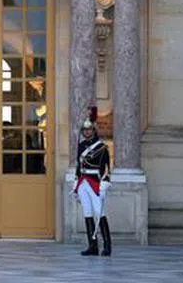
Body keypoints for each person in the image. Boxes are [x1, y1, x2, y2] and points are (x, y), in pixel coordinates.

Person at [74, 106, 111, 257]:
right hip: (83, 181)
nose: (87, 132)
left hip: (96, 182)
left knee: (99, 213)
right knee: (87, 212)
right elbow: (79, 164)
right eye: (85, 130)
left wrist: (104, 183)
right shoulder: (81, 146)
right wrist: (76, 181)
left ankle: (107, 245)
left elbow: (107, 168)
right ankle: (92, 245)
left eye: (89, 130)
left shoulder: (101, 147)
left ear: (94, 130)